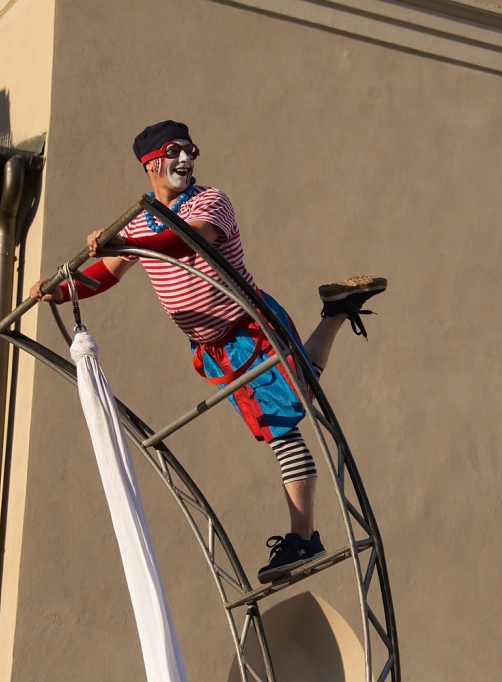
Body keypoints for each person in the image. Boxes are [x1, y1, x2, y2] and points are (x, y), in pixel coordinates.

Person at [30, 120, 386, 584]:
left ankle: (304, 538)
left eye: (191, 151)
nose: (186, 160)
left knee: (282, 427)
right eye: (174, 151)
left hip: (248, 328)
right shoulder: (140, 222)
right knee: (295, 397)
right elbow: (107, 273)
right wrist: (61, 291)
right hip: (215, 346)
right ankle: (336, 311)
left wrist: (125, 242)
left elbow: (186, 240)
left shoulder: (209, 202)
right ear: (150, 163)